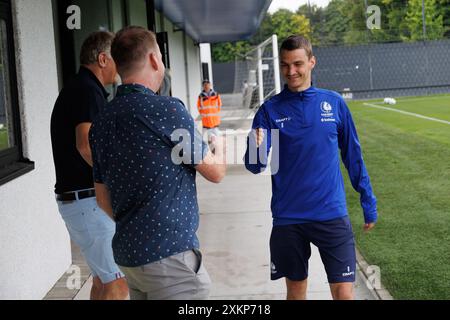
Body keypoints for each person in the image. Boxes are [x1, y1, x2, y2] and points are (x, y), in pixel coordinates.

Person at [89, 26, 227, 300]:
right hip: (170, 260)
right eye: (162, 58)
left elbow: (103, 199)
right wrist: (219, 149)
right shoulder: (167, 110)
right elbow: (214, 172)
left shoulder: (102, 121)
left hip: (130, 258)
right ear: (154, 60)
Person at [244, 35, 377, 300]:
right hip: (289, 217)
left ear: (311, 62)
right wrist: (256, 146)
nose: (291, 71)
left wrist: (368, 201)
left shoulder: (334, 103)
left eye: (298, 64)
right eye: (285, 65)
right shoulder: (269, 110)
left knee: (344, 295)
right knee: (296, 291)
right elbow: (255, 165)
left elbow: (353, 155)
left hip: (331, 212)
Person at [50, 31, 129, 300]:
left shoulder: (81, 88)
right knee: (118, 284)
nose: (121, 64)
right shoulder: (87, 90)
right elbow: (85, 144)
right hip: (87, 203)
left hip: (79, 204)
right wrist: (115, 181)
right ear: (103, 58)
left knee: (102, 281)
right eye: (117, 57)